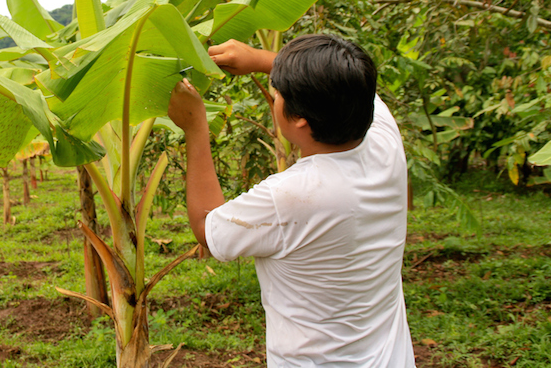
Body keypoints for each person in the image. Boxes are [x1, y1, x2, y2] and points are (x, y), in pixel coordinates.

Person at [167, 35, 415, 367]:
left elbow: (206, 225)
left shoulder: (294, 196)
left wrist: (195, 127)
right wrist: (257, 59)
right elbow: (350, 85)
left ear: (299, 119)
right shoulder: (384, 143)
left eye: (278, 94)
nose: (275, 97)